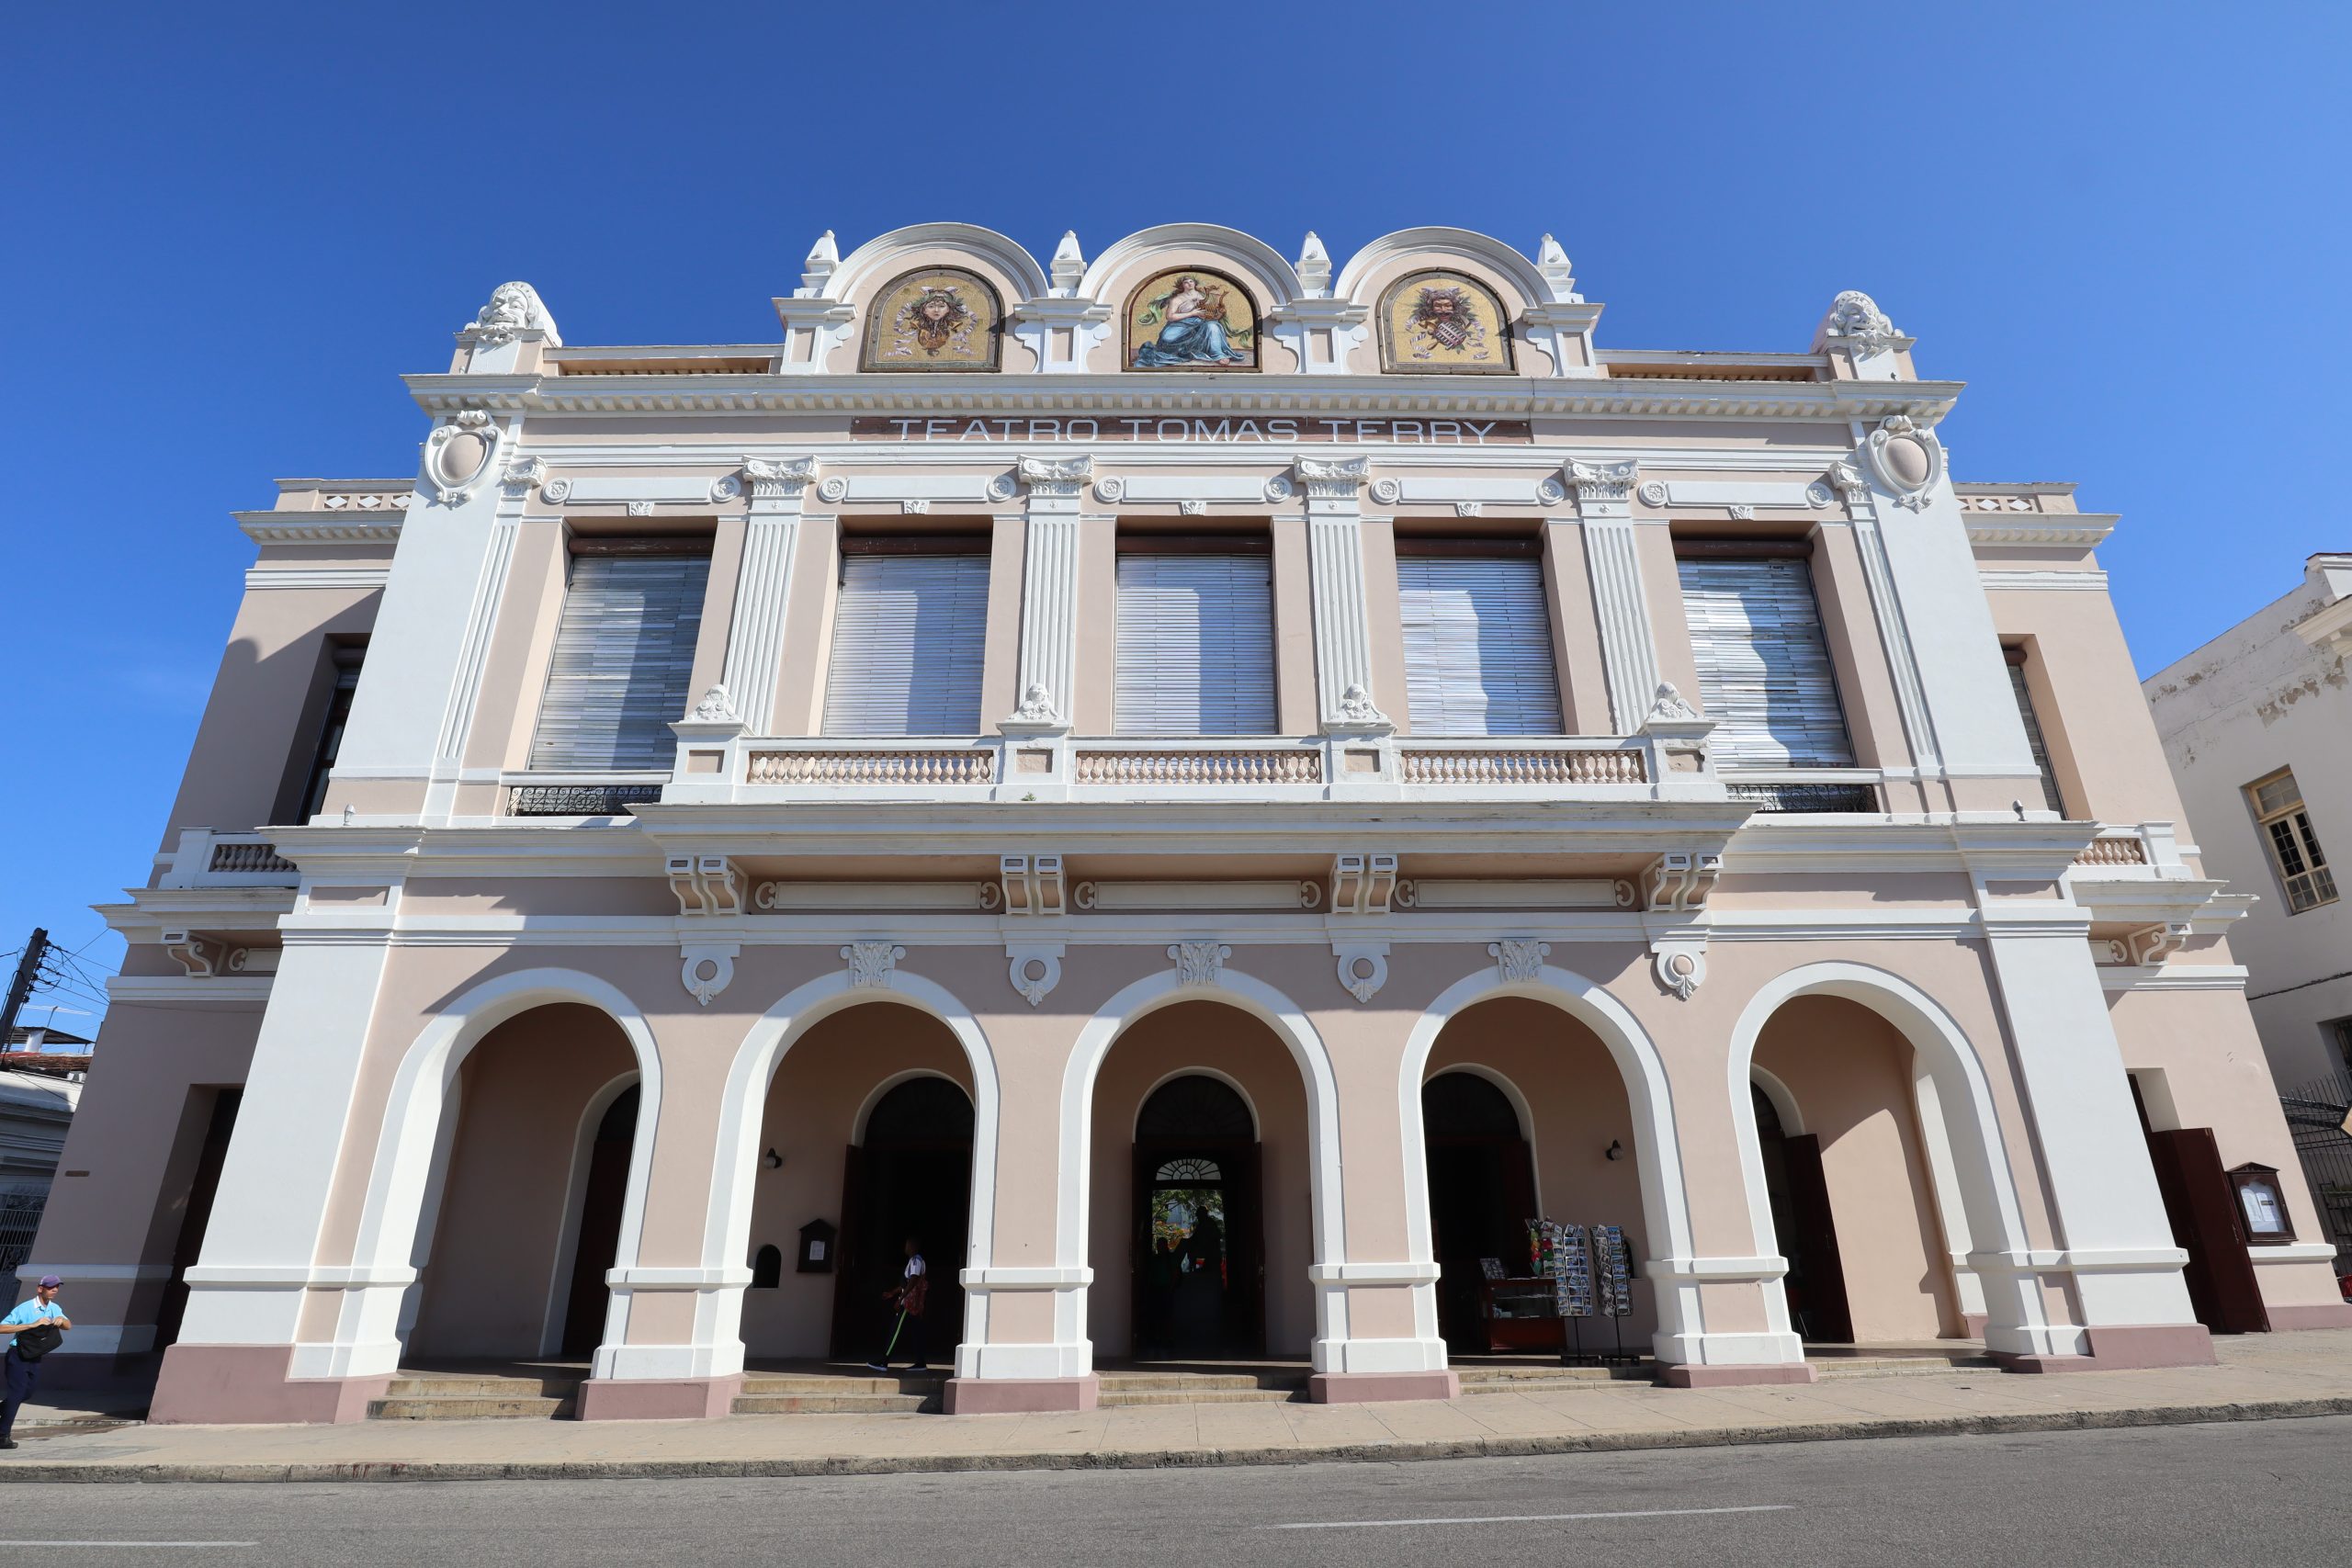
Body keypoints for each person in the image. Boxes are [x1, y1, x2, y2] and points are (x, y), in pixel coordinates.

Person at [0, 1276, 70, 1450]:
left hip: (35, 1356)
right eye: (50, 1287)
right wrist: (31, 1325)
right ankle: (3, 1436)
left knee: (27, 1393)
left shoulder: (53, 1308)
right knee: (16, 1394)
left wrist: (61, 1321)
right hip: (17, 1355)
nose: (54, 1290)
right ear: (40, 1289)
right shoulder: (26, 1308)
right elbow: (2, 1327)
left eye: (57, 1287)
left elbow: (68, 1325)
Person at [865, 1235, 929, 1373]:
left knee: (895, 1331)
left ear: (912, 1246)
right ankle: (921, 1362)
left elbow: (913, 1281)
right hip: (913, 1304)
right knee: (916, 1333)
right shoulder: (913, 1261)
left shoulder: (916, 1261)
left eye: (907, 1244)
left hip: (909, 1304)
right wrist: (893, 1293)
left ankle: (884, 1361)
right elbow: (905, 1283)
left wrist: (901, 1299)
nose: (905, 1247)